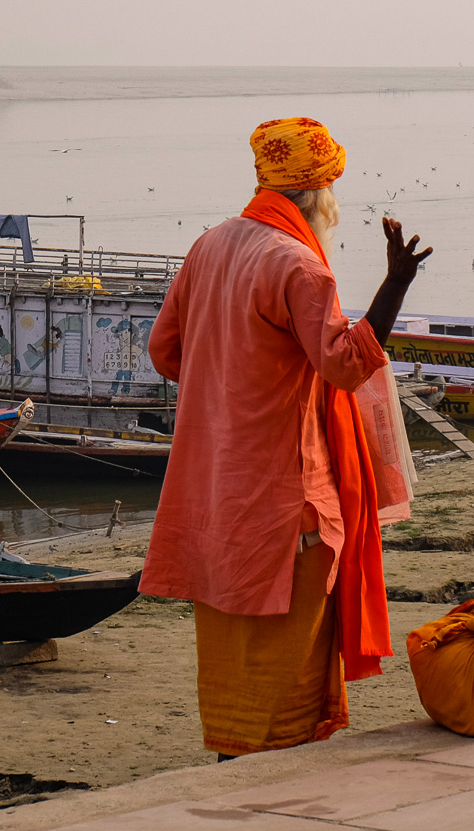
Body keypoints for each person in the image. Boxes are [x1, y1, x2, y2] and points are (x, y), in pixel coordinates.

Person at [141, 117, 431, 760]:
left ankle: (229, 761)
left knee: (232, 649)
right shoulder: (299, 265)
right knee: (284, 695)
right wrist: (395, 286)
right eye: (333, 189)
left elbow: (165, 351)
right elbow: (344, 364)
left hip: (215, 497)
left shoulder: (210, 245)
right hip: (285, 504)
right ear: (319, 193)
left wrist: (231, 379)